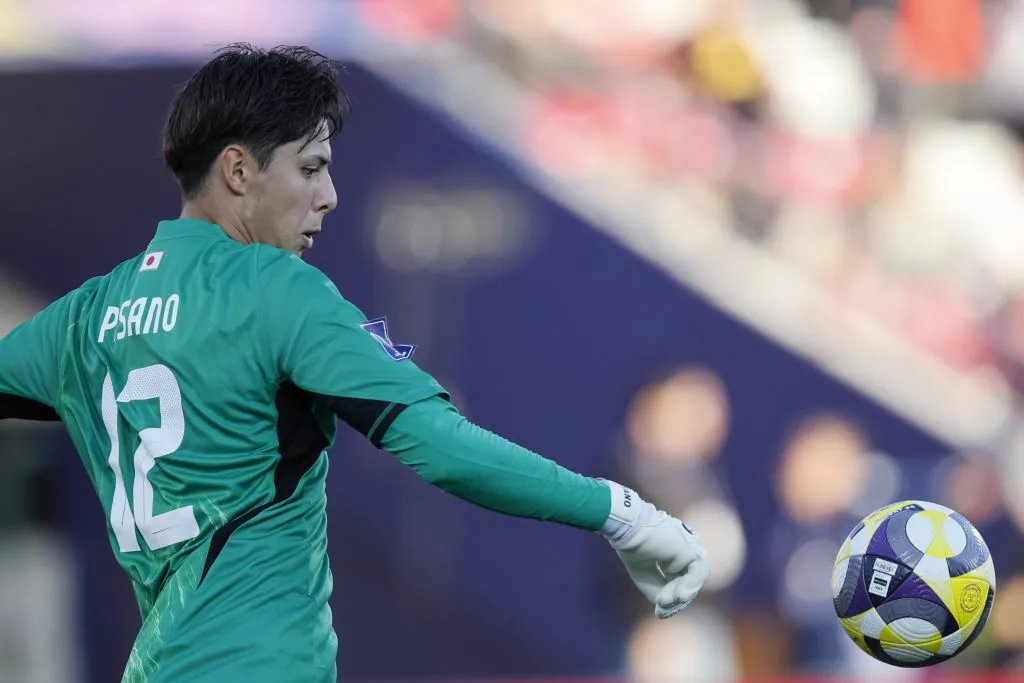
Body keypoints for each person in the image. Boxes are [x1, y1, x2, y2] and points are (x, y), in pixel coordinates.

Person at [0, 44, 709, 683]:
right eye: (310, 168)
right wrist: (620, 512)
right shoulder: (276, 289)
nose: (329, 196)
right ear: (238, 170)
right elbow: (443, 449)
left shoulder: (84, 315)